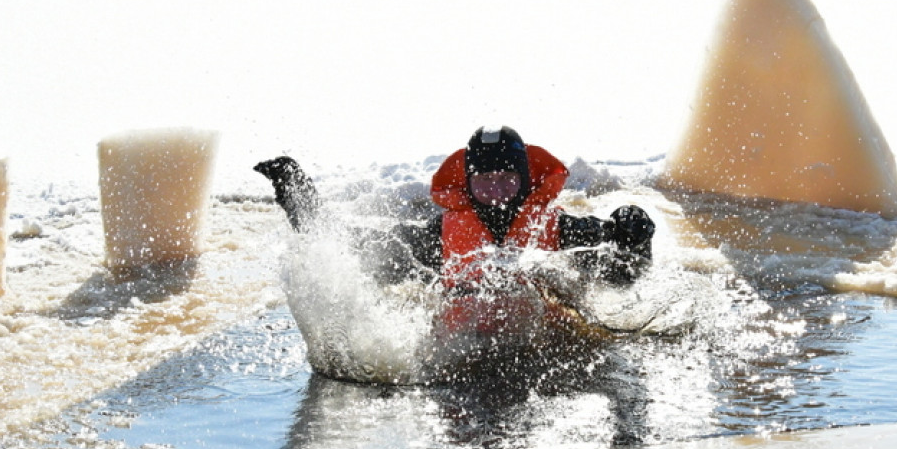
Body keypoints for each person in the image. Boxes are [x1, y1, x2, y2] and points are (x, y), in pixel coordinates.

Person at [255, 126, 655, 286]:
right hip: (461, 352)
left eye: (507, 180)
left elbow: (621, 276)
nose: (496, 190)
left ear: (525, 181)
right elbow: (353, 248)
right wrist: (299, 200)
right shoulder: (439, 235)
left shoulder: (557, 227)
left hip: (541, 350)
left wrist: (637, 234)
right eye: (484, 181)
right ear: (467, 183)